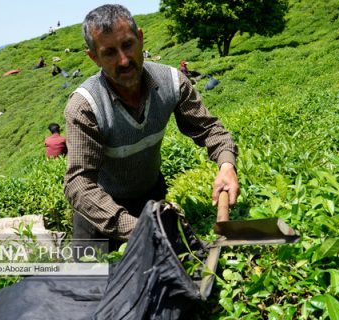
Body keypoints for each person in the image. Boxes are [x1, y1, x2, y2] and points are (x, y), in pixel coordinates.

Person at [64, 4, 239, 252]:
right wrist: (135, 228)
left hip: (150, 197)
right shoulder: (85, 106)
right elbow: (79, 183)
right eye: (110, 53)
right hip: (97, 214)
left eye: (128, 45)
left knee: (172, 272)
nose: (124, 60)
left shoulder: (173, 82)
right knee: (87, 283)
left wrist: (227, 165)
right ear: (94, 57)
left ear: (141, 38)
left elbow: (210, 130)